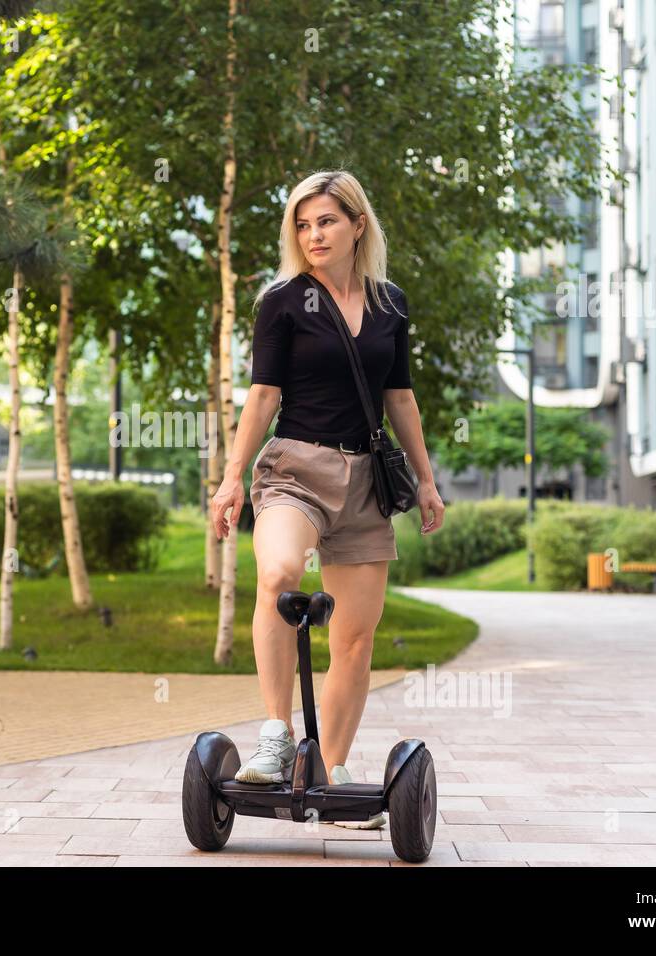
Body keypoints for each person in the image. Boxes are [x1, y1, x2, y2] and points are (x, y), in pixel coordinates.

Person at [208, 170, 445, 828]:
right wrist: (232, 477)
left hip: (368, 478)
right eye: (304, 224)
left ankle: (333, 772)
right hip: (296, 467)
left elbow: (400, 396)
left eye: (327, 221)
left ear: (357, 225)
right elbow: (263, 396)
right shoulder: (283, 301)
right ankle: (277, 735)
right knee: (280, 575)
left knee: (356, 639)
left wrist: (424, 479)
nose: (314, 234)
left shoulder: (390, 303)